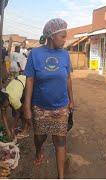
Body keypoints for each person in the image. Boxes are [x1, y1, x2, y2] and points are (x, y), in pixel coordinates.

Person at [24, 18, 73, 179]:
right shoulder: (35, 54)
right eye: (63, 36)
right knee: (40, 137)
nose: (65, 40)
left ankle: (60, 177)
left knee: (60, 141)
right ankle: (39, 150)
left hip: (61, 106)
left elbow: (68, 78)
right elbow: (30, 80)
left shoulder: (65, 54)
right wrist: (27, 107)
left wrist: (71, 100)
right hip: (40, 106)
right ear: (52, 36)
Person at [0, 75, 29, 140]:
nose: (3, 108)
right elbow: (3, 117)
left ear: (7, 100)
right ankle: (22, 126)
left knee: (23, 110)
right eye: (1, 107)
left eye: (4, 106)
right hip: (17, 84)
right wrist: (8, 132)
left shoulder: (13, 98)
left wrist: (12, 128)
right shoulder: (3, 98)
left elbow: (18, 113)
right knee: (15, 111)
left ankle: (26, 129)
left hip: (26, 82)